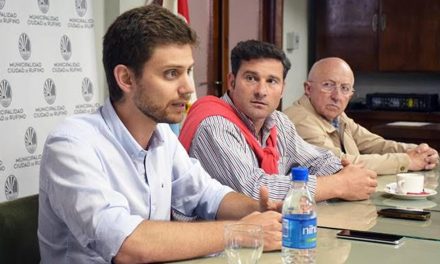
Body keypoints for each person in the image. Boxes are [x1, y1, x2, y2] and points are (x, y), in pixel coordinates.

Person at [38, 6, 283, 264]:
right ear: (126, 78)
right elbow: (128, 245)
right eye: (171, 74)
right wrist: (242, 232)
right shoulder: (71, 144)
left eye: (187, 71)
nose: (188, 88)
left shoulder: (162, 134)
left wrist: (260, 211)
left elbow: (207, 195)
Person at [178, 40, 377, 203]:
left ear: (282, 89)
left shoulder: (278, 122)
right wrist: (339, 184)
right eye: (251, 78)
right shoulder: (214, 124)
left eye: (271, 81)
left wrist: (343, 171)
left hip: (261, 233)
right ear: (231, 82)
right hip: (215, 243)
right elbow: (254, 192)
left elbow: (315, 160)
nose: (261, 91)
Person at [284, 57, 439, 175]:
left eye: (345, 88)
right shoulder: (299, 119)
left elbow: (374, 143)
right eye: (328, 85)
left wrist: (417, 151)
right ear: (308, 89)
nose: (337, 96)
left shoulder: (336, 115)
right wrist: (408, 160)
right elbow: (338, 163)